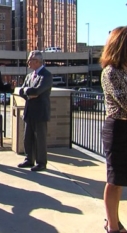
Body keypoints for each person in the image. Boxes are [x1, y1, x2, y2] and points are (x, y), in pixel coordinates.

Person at [100, 26, 127, 233]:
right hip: (118, 129)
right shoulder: (111, 72)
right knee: (115, 180)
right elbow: (125, 101)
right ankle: (113, 226)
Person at [17, 50, 53, 172]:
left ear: (37, 61)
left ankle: (41, 162)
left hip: (40, 113)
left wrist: (30, 91)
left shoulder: (46, 75)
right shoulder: (29, 76)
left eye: (30, 60)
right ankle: (29, 159)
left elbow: (38, 91)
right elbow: (21, 91)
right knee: (28, 137)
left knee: (40, 139)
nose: (28, 62)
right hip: (29, 112)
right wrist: (29, 92)